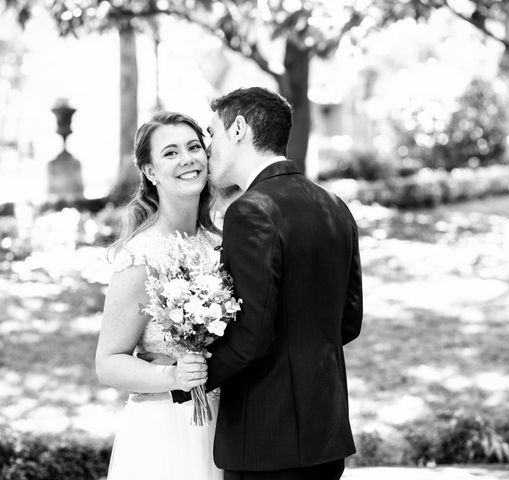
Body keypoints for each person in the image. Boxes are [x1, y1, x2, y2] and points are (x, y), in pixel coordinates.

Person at [172, 87, 363, 480]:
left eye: (212, 134)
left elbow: (252, 337)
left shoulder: (251, 210)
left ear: (239, 129)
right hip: (324, 434)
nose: (208, 149)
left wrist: (185, 380)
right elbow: (348, 321)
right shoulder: (333, 204)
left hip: (266, 443)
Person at [96, 111, 222, 480]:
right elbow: (108, 362)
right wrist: (173, 377)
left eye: (194, 146)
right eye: (170, 152)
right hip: (166, 430)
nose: (187, 159)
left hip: (225, 427)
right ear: (150, 172)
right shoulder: (141, 254)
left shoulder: (220, 244)